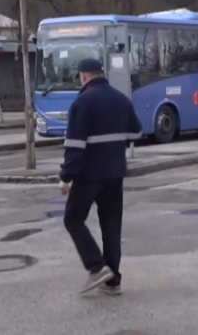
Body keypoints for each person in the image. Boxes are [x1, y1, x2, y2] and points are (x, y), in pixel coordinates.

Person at [61, 58, 143, 295]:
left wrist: (66, 176)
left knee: (73, 219)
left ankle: (97, 267)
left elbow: (75, 146)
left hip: (88, 175)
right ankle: (112, 281)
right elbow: (136, 132)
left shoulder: (82, 103)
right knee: (111, 223)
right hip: (115, 173)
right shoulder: (121, 100)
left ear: (84, 76)